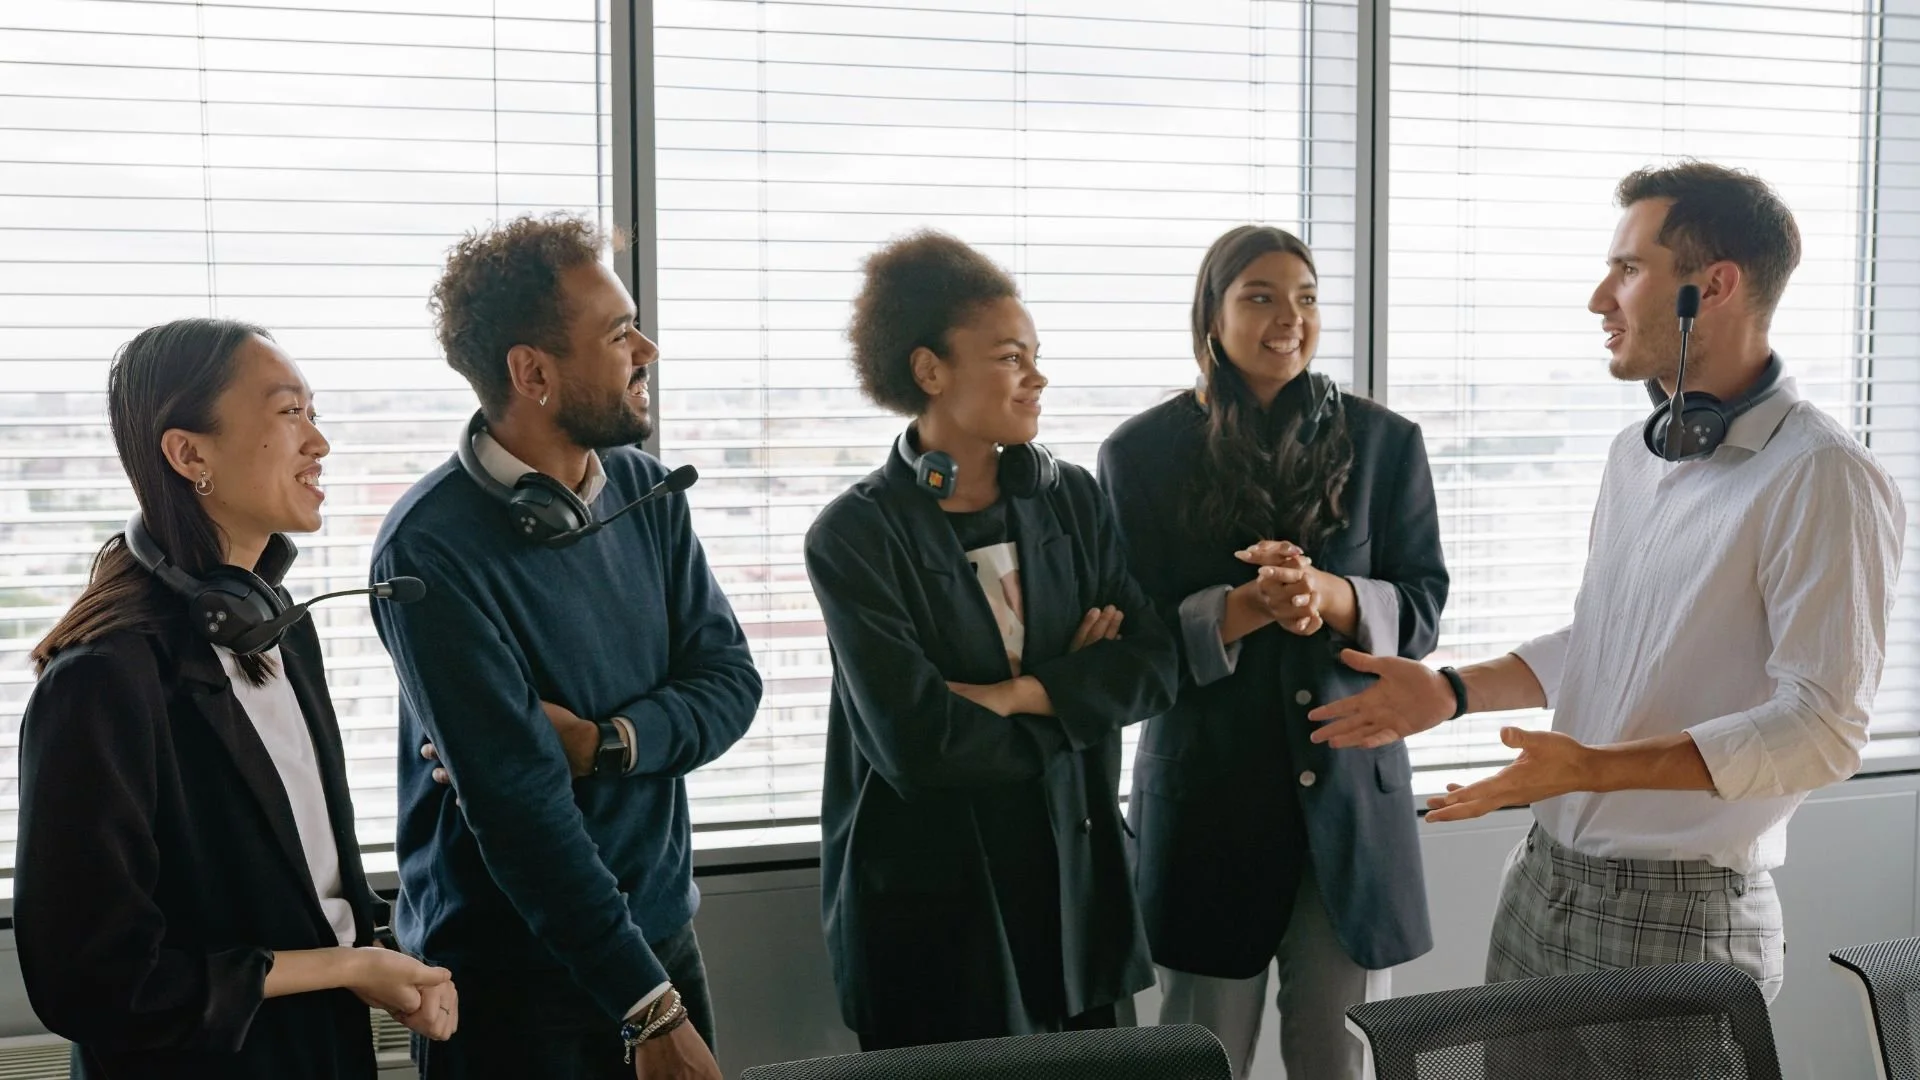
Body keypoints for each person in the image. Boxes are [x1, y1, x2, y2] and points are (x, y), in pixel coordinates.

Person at [1308, 161, 1906, 1002]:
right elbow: (1606, 638)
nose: (1600, 298)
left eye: (1628, 270)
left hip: (1681, 918)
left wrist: (1592, 766)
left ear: (1715, 285)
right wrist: (1451, 692)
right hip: (1544, 881)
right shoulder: (1640, 452)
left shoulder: (1824, 476)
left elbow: (1822, 729)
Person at [368, 214, 761, 1080]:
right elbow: (519, 809)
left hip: (659, 942)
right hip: (513, 982)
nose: (647, 349)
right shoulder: (427, 552)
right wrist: (647, 1010)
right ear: (533, 372)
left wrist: (607, 745)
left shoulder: (650, 493)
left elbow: (732, 683)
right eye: (619, 334)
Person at [16, 318, 458, 1079]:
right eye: (290, 413)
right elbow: (94, 983)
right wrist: (346, 968)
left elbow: (295, 882)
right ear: (190, 454)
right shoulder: (100, 681)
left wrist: (376, 958)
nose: (319, 443)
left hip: (326, 1053)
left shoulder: (283, 634)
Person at [803, 231, 1181, 1051]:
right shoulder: (854, 536)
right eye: (1012, 357)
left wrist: (1022, 694)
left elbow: (1154, 663)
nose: (1038, 377)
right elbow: (919, 747)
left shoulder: (1071, 499)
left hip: (1075, 905)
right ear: (930, 370)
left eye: (1037, 355)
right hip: (938, 911)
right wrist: (1080, 691)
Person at [1097, 226, 1448, 1079]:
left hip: (1352, 806)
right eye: (1259, 295)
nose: (1289, 317)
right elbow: (1132, 637)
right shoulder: (1139, 454)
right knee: (1198, 1059)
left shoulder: (1386, 441)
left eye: (1306, 297)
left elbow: (1424, 606)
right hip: (1207, 805)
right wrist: (1248, 608)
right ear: (1211, 317)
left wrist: (1330, 596)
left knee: (1341, 1063)